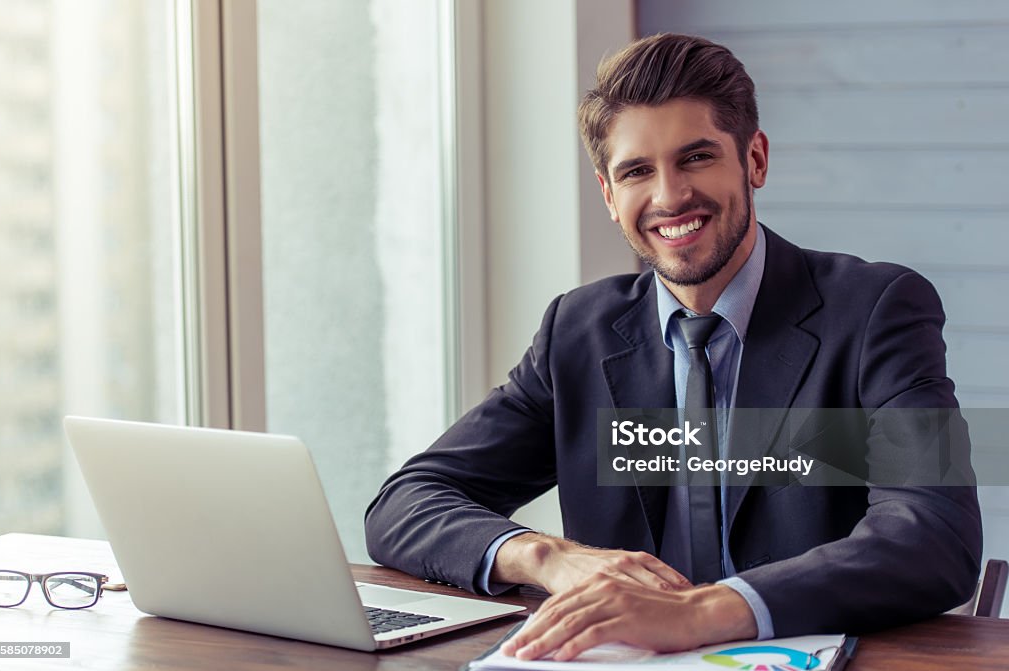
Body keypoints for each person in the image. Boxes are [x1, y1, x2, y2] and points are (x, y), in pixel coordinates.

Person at [364, 33, 982, 661]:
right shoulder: (576, 332)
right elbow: (407, 502)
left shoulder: (877, 309)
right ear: (609, 195)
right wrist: (548, 557)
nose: (668, 197)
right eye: (637, 171)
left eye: (696, 158)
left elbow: (934, 534)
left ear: (755, 160)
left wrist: (704, 612)